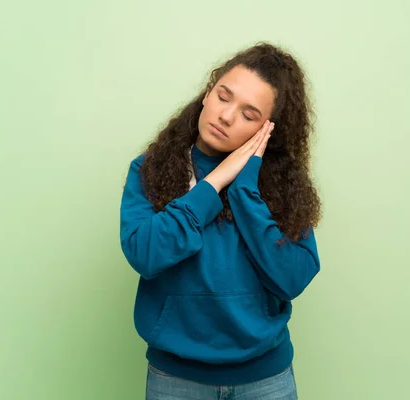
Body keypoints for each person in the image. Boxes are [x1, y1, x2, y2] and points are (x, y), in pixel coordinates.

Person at [119, 42, 322, 399]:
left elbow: (292, 278)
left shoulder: (281, 187)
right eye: (223, 97)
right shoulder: (150, 169)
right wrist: (214, 183)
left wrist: (245, 192)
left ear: (268, 131)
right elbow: (145, 253)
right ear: (207, 92)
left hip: (266, 378)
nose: (226, 116)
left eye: (248, 114)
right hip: (176, 377)